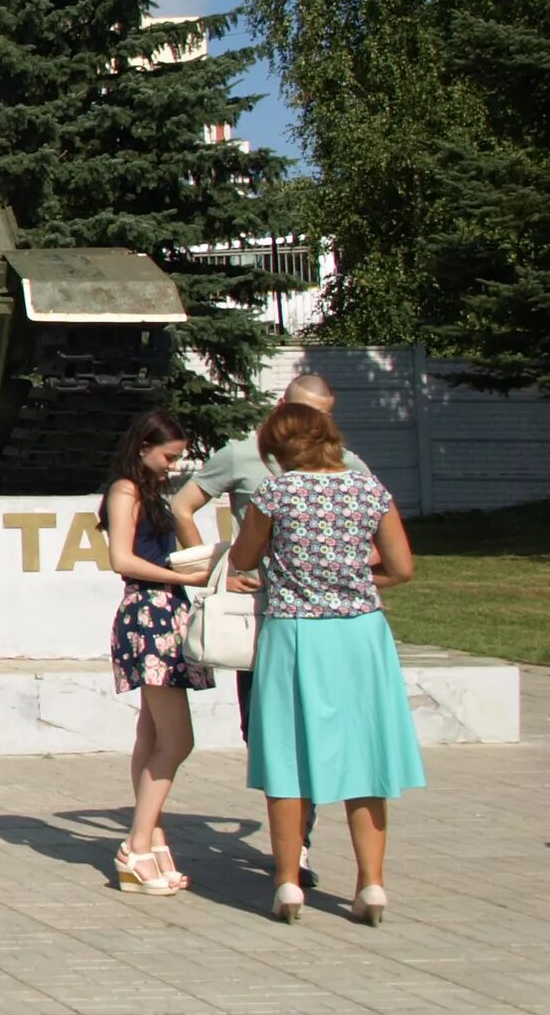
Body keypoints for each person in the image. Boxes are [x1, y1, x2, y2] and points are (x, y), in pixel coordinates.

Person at [172, 372, 371, 890]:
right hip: (260, 616)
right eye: (307, 412)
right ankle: (295, 843)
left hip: (325, 620)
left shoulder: (345, 463)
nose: (315, 425)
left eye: (324, 416)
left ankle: (298, 845)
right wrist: (216, 568)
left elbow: (377, 536)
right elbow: (183, 503)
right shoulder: (243, 454)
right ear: (283, 405)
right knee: (263, 731)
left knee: (322, 733)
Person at [228, 399, 422, 926]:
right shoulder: (368, 488)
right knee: (367, 760)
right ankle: (372, 886)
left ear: (277, 447)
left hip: (295, 634)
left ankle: (289, 882)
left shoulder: (276, 493)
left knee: (288, 761)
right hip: (361, 634)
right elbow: (402, 567)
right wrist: (357, 582)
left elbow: (242, 560)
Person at [104, 409, 207, 895]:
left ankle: (152, 836)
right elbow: (121, 558)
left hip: (164, 612)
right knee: (177, 740)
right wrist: (182, 577)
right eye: (169, 456)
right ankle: (137, 843)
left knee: (152, 735)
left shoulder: (150, 492)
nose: (172, 465)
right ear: (144, 446)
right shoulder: (126, 490)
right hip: (149, 614)